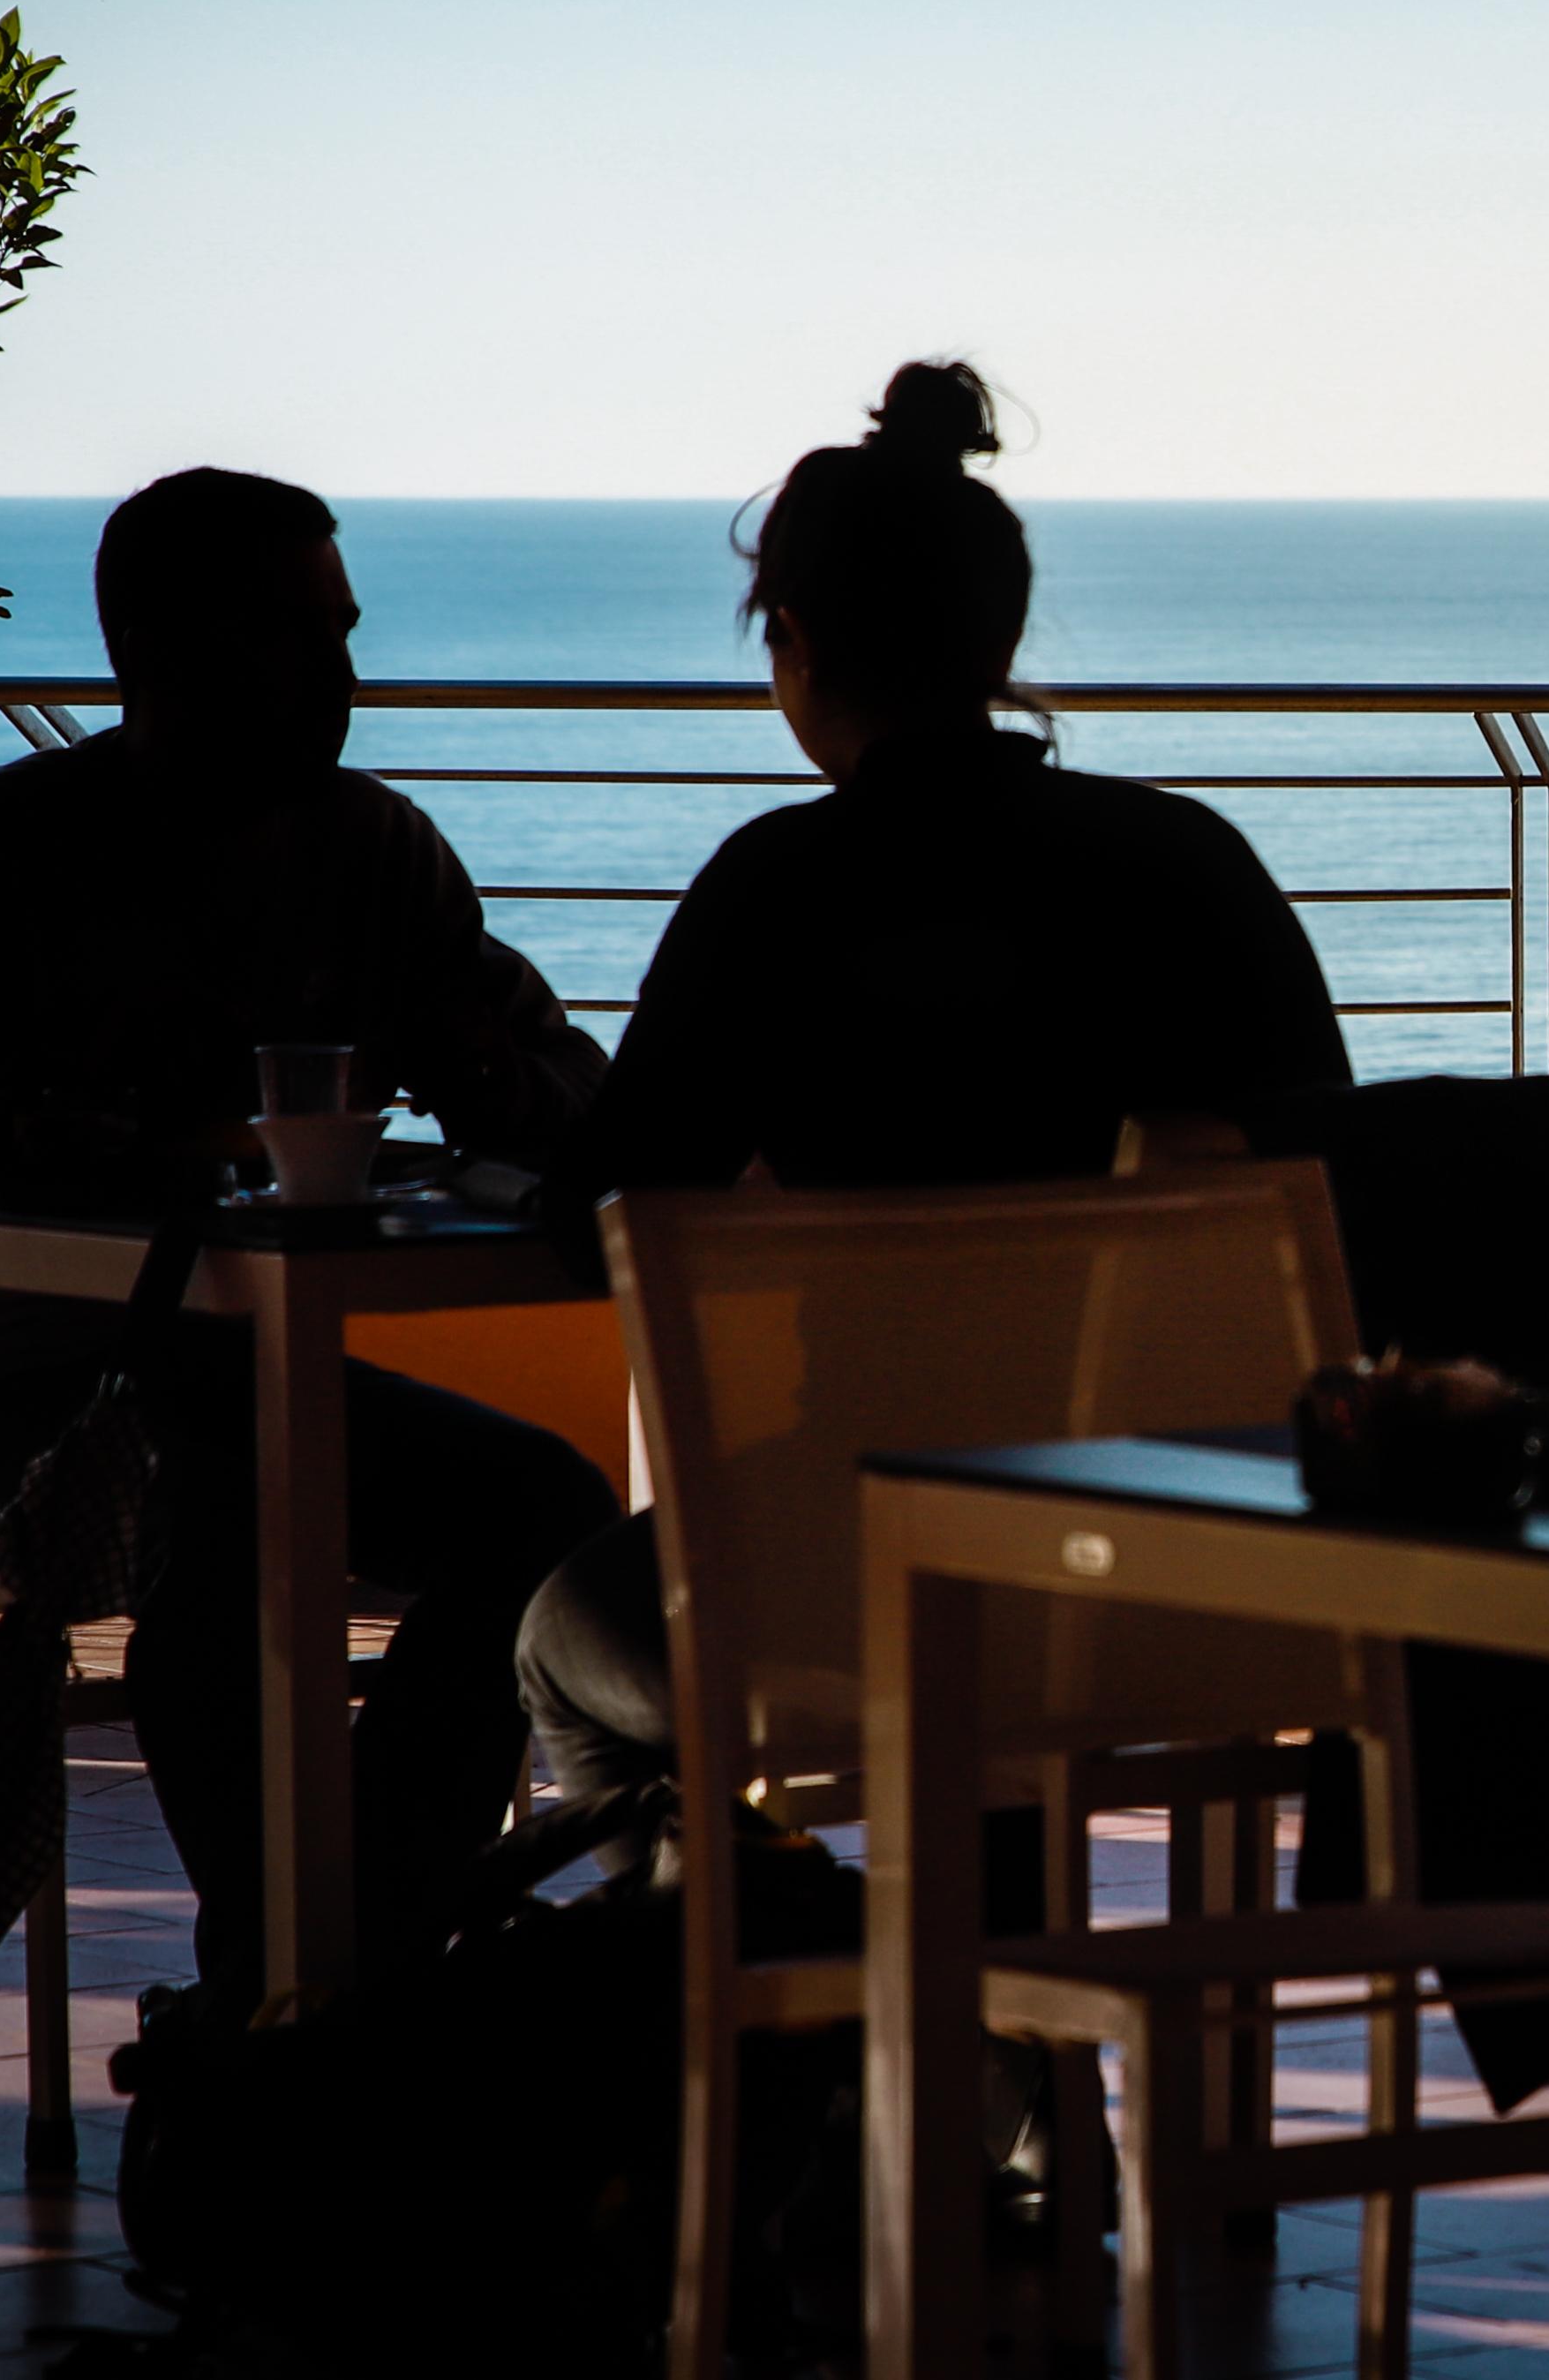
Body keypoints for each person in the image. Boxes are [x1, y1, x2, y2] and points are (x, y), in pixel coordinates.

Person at [0, 467, 624, 1989]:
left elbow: (575, 1097)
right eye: (291, 635)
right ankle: (312, 1970)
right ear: (152, 649)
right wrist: (1, 1145)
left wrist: (487, 1071)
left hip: (232, 1368)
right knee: (224, 1526)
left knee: (544, 1506)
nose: (341, 677)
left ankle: (345, 1944)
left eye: (342, 633)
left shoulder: (374, 857)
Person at [516, 362, 1350, 1866]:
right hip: (1199, 1566)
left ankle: (762, 2029)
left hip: (868, 1557)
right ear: (1001, 634)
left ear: (796, 644)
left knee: (561, 1641)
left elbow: (598, 1224)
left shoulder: (779, 889)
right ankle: (987, 2044)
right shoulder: (1192, 864)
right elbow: (1333, 1183)